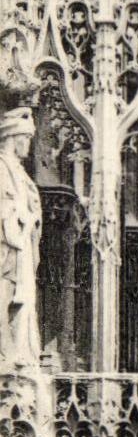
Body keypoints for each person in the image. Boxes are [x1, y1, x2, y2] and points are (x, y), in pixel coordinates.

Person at [0, 106, 42, 367]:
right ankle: (6, 357)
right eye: (25, 139)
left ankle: (17, 356)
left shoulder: (19, 171)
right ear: (12, 138)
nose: (28, 145)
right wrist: (21, 217)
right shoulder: (2, 168)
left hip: (22, 246)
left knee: (22, 301)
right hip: (8, 248)